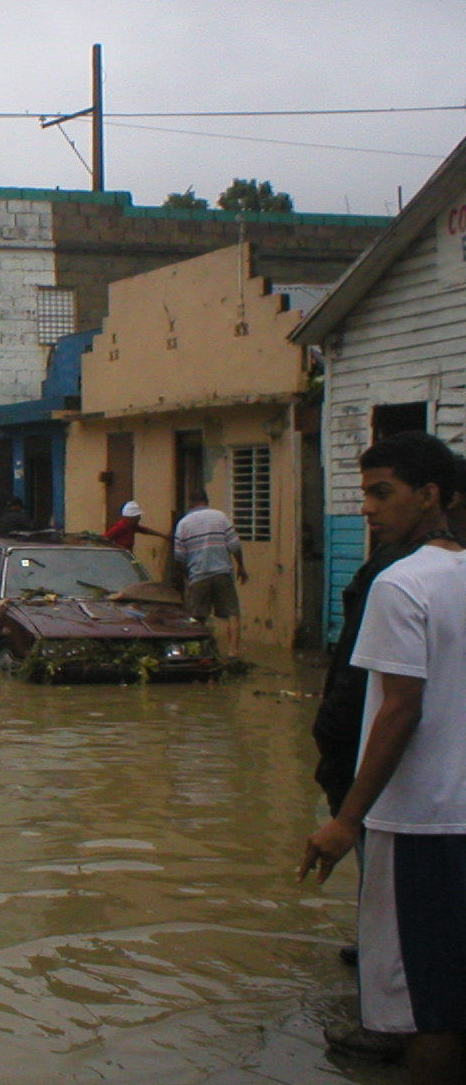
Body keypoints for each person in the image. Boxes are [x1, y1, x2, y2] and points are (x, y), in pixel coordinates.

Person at [300, 431, 466, 1082]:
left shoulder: (399, 585)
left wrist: (347, 818)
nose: (366, 507)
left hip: (417, 823)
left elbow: (399, 708)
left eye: (381, 492)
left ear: (430, 496)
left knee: (428, 1010)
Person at [173, 490, 248, 657]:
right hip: (222, 573)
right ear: (207, 501)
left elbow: (179, 557)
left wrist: (187, 576)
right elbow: (235, 545)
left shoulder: (183, 523)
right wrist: (241, 566)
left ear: (191, 502)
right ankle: (233, 652)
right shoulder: (220, 517)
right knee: (232, 613)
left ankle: (201, 653)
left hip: (198, 575)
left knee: (197, 617)